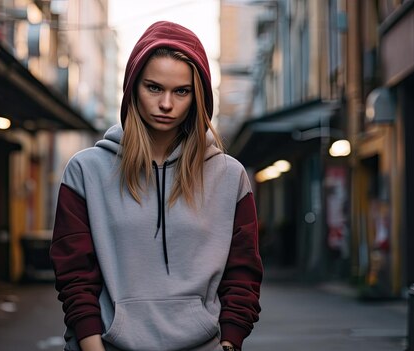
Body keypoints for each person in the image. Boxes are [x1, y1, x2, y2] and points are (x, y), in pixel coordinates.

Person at [50, 21, 263, 351]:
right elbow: (74, 273)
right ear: (133, 87)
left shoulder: (228, 175)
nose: (166, 104)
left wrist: (230, 342)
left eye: (181, 91)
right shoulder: (86, 170)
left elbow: (243, 273)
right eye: (153, 87)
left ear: (198, 97)